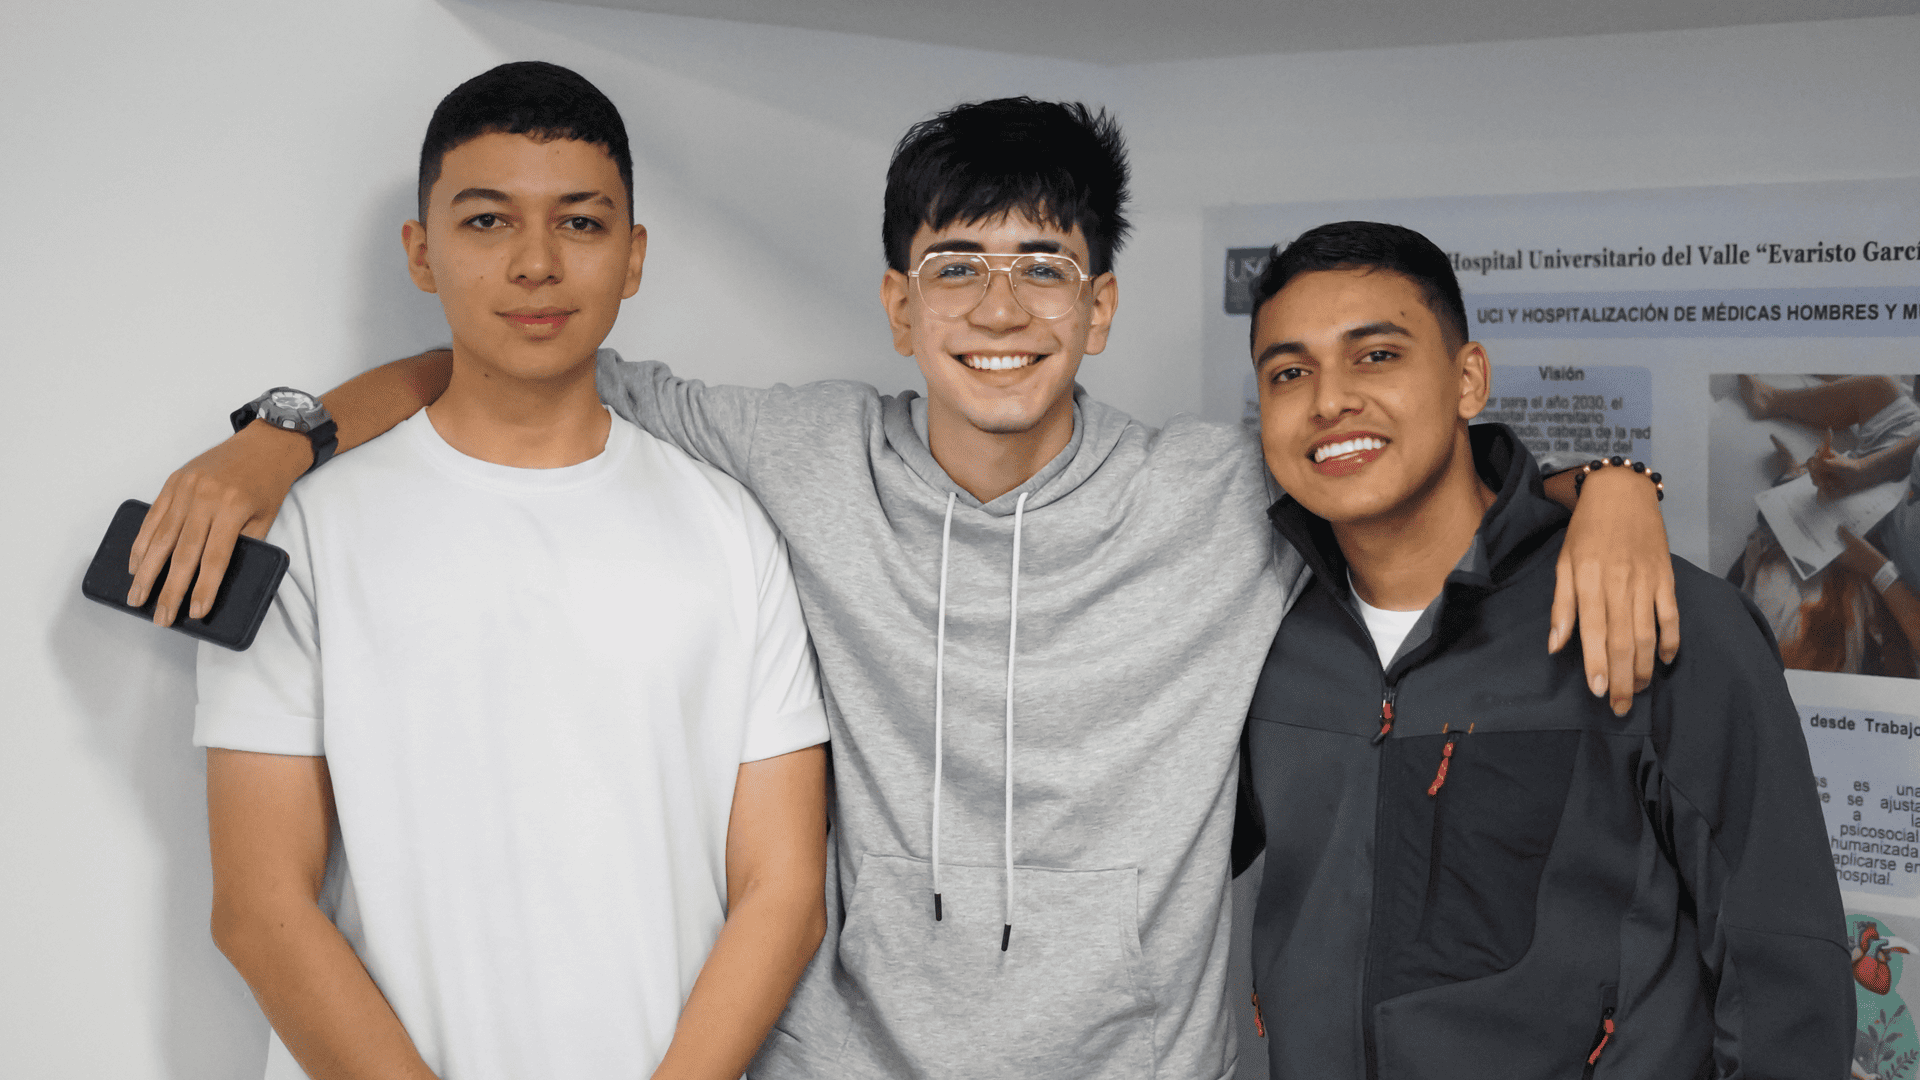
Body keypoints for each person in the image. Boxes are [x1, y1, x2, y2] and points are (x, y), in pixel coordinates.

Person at [135, 100, 1675, 1079]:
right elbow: (515, 354)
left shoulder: (1220, 495)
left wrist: (1606, 487)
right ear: (896, 302)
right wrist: (284, 437)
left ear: (1101, 305)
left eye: (1043, 265)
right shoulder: (793, 455)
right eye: (956, 265)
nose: (1000, 307)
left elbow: (1399, 461)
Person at [193, 62, 830, 1080]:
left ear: (633, 256)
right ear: (422, 251)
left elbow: (783, 894)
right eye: (488, 221)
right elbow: (258, 906)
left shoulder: (730, 528)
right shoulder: (305, 531)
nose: (536, 264)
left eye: (580, 223)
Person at [1238, 221, 1850, 1078]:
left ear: (1468, 380)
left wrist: (1612, 482)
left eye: (1376, 356)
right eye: (1289, 372)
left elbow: (1784, 978)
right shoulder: (1258, 634)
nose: (1329, 400)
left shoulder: (1663, 618)